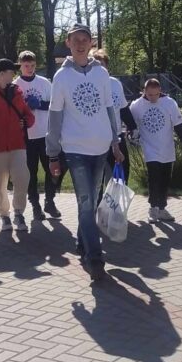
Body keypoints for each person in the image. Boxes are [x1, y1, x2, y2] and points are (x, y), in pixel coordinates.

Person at [47, 24, 123, 282]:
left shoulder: (101, 73)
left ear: (91, 43)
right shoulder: (61, 77)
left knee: (93, 199)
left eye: (85, 39)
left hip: (101, 147)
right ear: (68, 43)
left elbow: (109, 108)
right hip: (75, 149)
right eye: (75, 40)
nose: (80, 44)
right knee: (86, 202)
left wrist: (115, 142)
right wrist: (53, 154)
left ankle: (82, 241)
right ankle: (95, 258)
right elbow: (55, 117)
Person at [0, 59, 35, 233]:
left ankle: (18, 212)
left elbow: (29, 116)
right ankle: (4, 215)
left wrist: (25, 122)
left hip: (17, 145)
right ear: (2, 73)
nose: (14, 75)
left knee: (22, 178)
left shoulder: (17, 92)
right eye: (11, 71)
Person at [130, 77, 182, 223]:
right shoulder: (137, 105)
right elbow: (130, 124)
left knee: (165, 178)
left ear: (160, 91)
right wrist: (131, 134)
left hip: (167, 148)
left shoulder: (169, 103)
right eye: (149, 94)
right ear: (144, 91)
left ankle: (162, 208)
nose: (153, 98)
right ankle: (153, 208)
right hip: (149, 148)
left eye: (156, 94)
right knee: (154, 177)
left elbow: (179, 126)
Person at [15, 49, 64, 221]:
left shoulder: (44, 83)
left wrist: (39, 104)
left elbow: (54, 104)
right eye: (26, 66)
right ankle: (35, 205)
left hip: (45, 133)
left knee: (53, 170)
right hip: (27, 136)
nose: (29, 69)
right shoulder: (16, 85)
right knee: (31, 174)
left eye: (32, 65)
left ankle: (50, 201)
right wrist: (24, 109)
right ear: (20, 66)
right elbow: (12, 111)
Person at [90, 48, 136, 194]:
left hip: (116, 135)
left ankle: (115, 205)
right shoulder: (87, 85)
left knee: (122, 174)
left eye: (102, 65)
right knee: (97, 178)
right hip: (95, 139)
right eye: (95, 65)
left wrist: (133, 127)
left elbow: (123, 108)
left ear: (107, 66)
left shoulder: (115, 84)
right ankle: (96, 206)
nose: (99, 68)